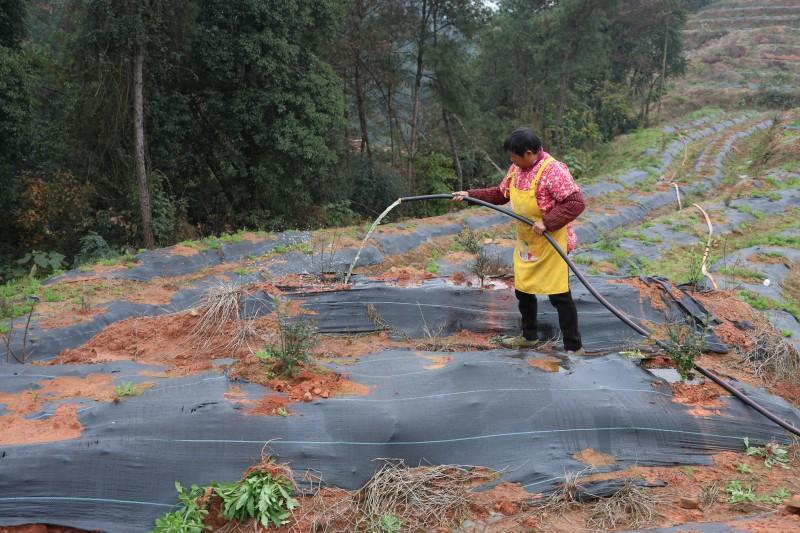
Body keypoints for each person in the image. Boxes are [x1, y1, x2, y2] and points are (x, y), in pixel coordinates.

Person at [452, 127, 585, 354]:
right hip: (527, 241)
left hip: (551, 241)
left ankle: (574, 347)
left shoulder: (553, 171)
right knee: (523, 290)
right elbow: (500, 193)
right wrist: (470, 195)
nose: (511, 160)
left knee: (559, 295)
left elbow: (575, 202)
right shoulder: (517, 169)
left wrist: (548, 222)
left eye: (515, 156)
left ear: (530, 153)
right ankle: (529, 337)